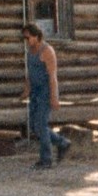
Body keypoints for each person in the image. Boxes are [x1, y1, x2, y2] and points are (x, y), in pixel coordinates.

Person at [20, 23, 71, 169]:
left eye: (28, 37)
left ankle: (46, 160)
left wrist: (54, 98)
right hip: (35, 92)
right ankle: (62, 143)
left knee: (41, 125)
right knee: (34, 126)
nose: (26, 41)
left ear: (36, 36)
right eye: (24, 38)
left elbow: (53, 76)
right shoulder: (30, 51)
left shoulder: (47, 51)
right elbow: (30, 74)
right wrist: (26, 91)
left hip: (45, 92)